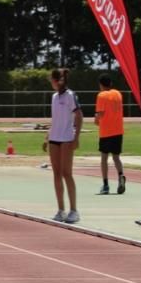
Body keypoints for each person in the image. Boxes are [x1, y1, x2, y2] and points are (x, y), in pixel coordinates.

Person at [42, 68, 82, 223]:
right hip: (54, 139)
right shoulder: (53, 97)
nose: (50, 82)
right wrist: (47, 137)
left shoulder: (70, 95)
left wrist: (76, 137)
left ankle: (74, 210)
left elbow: (79, 115)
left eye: (51, 80)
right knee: (56, 174)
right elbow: (55, 119)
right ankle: (61, 209)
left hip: (66, 138)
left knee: (67, 173)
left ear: (57, 80)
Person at [95, 75, 126, 195]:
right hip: (118, 130)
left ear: (101, 85)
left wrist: (96, 120)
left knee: (104, 158)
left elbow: (100, 114)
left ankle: (106, 184)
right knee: (116, 157)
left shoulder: (101, 96)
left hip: (106, 131)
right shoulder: (118, 94)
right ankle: (121, 175)